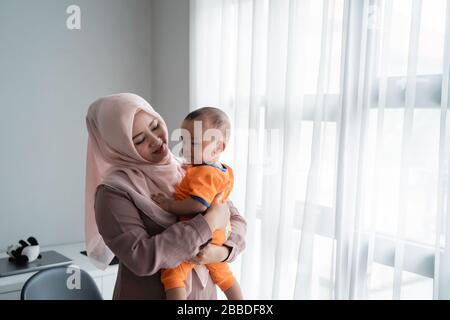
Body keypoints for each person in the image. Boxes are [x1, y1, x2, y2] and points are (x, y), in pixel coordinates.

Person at [84, 93, 246, 299]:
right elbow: (141, 258)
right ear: (120, 147)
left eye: (154, 126)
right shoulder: (113, 194)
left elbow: (236, 220)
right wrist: (207, 224)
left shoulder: (186, 167)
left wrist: (222, 252)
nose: (156, 140)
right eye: (140, 139)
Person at [152, 107, 243, 300]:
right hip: (218, 235)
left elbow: (197, 205)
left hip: (200, 235)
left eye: (193, 143)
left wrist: (169, 205)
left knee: (173, 274)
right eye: (184, 140)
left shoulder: (205, 174)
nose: (185, 148)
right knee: (224, 276)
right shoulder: (222, 170)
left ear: (218, 148)